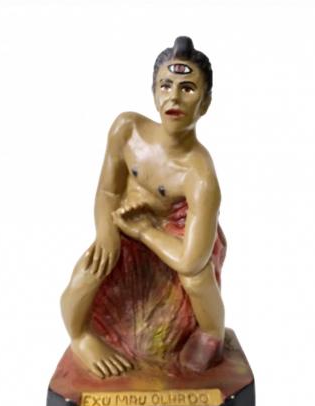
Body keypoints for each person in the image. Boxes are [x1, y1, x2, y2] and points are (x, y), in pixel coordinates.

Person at [60, 36, 227, 379]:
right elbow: (108, 191)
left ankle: (212, 332)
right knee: (87, 272)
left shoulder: (199, 174)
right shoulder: (127, 129)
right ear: (153, 92)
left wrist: (146, 231)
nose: (174, 97)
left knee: (196, 278)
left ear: (205, 103)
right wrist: (106, 233)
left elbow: (191, 258)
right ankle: (82, 337)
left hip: (174, 234)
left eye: (188, 88)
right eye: (166, 85)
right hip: (126, 224)